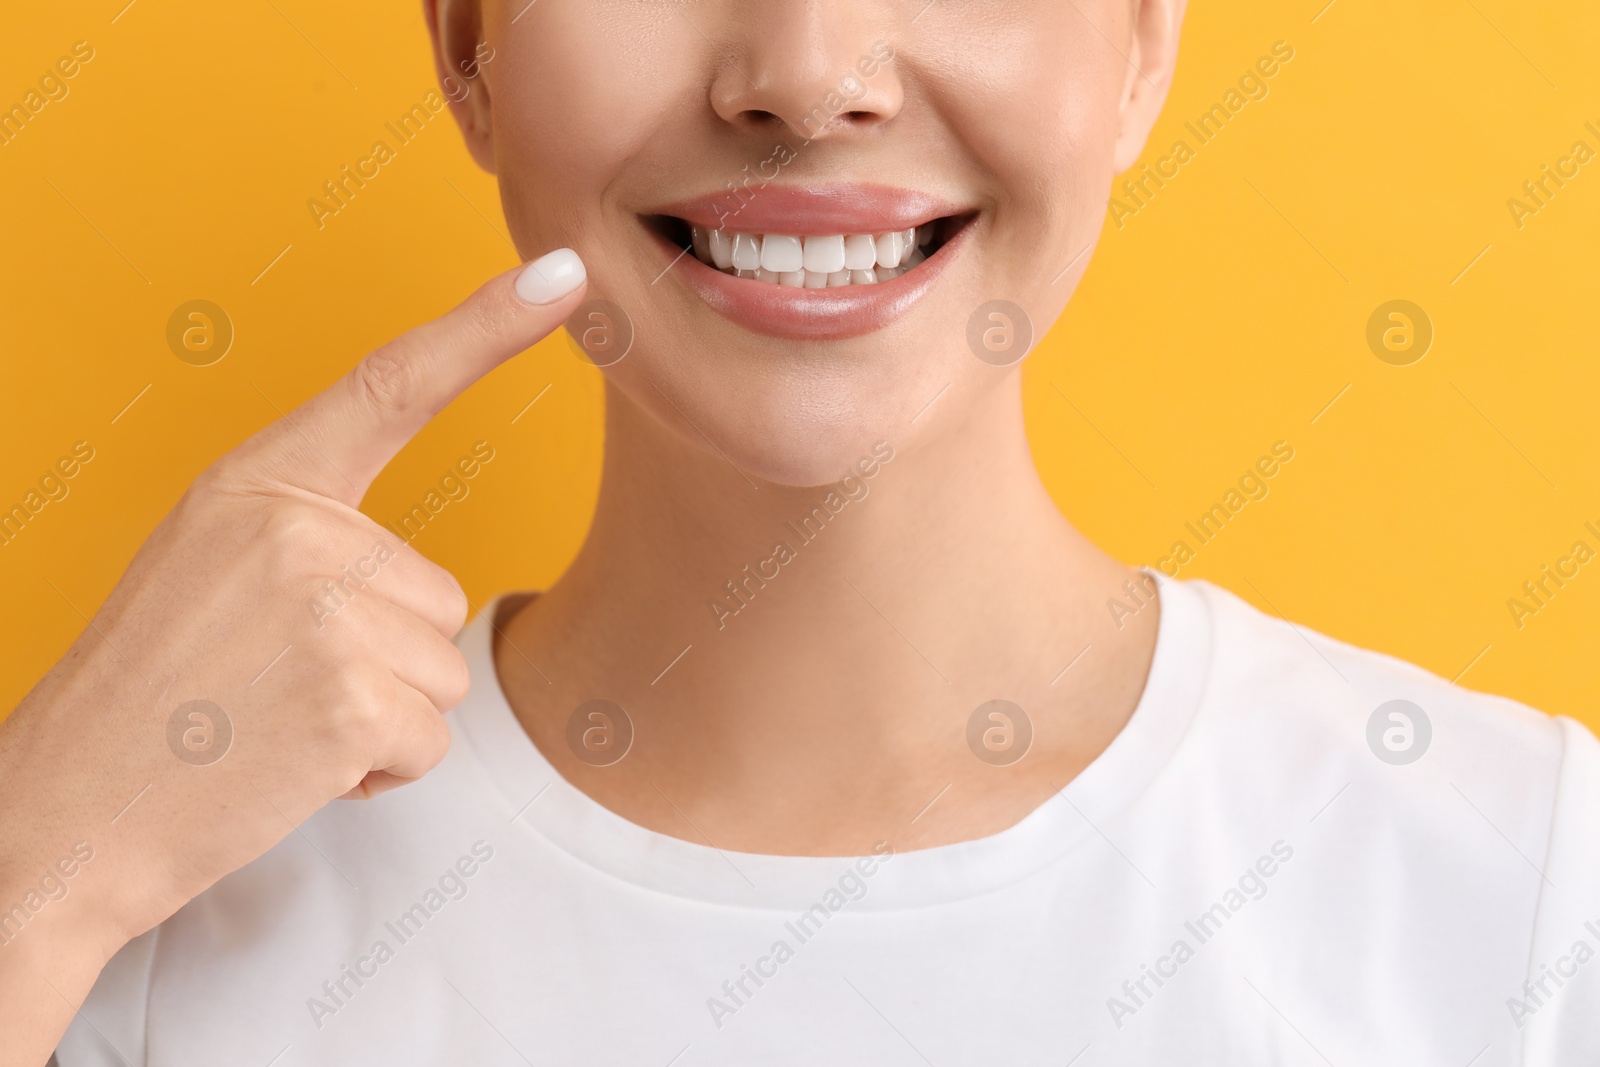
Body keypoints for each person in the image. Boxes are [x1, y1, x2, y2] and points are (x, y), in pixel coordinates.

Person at [3, 0, 1596, 1063]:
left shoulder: (1531, 891)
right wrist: (32, 874)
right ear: (465, 47)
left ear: (1142, 46)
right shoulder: (139, 915)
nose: (809, 67)